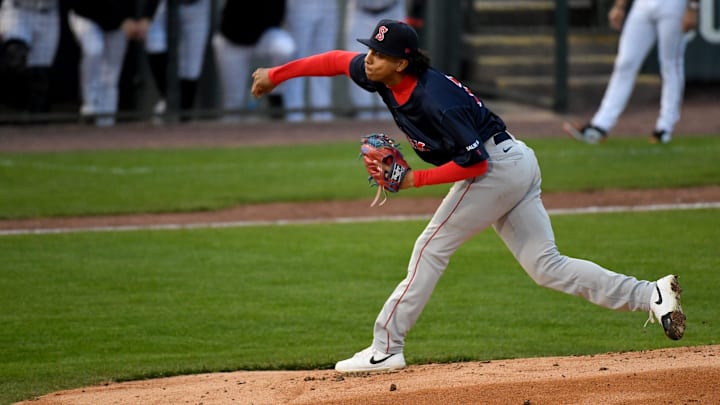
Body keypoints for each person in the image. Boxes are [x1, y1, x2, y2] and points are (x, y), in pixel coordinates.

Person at [251, 19, 686, 373]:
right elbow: (331, 60)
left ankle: (385, 347)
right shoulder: (381, 76)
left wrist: (412, 183)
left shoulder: (436, 99)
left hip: (496, 168)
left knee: (430, 248)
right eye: (370, 49)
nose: (369, 59)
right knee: (546, 266)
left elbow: (475, 164)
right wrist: (275, 75)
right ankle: (651, 294)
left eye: (379, 54)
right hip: (514, 162)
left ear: (402, 63)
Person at [564, 0, 699, 144]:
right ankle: (600, 126)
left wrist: (692, 7)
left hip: (674, 4)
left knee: (671, 64)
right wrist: (619, 5)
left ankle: (665, 127)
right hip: (643, 4)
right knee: (625, 63)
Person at [65, 0, 159, 126]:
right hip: (87, 15)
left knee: (111, 75)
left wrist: (146, 18)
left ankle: (107, 123)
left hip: (118, 19)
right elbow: (82, 5)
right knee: (94, 49)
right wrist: (120, 20)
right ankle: (90, 105)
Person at [212, 0, 295, 122]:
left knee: (285, 49)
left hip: (263, 37)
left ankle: (275, 95)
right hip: (233, 41)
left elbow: (278, 16)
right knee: (233, 105)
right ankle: (230, 137)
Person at [145, 0, 211, 122]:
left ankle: (184, 118)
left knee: (191, 67)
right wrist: (146, 16)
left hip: (197, 6)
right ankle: (167, 97)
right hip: (166, 4)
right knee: (154, 42)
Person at [344, 0, 406, 120]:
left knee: (392, 68)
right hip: (361, 12)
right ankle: (365, 120)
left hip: (392, 9)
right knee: (359, 65)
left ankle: (391, 120)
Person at [0, 0, 60, 114]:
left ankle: (35, 125)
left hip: (48, 13)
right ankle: (10, 111)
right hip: (18, 10)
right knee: (15, 55)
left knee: (40, 76)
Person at [284, 0, 340, 121]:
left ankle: (323, 118)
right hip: (300, 5)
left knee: (325, 63)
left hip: (328, 6)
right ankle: (294, 118)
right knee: (296, 63)